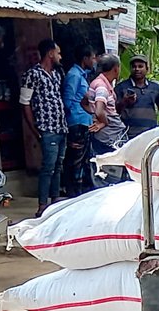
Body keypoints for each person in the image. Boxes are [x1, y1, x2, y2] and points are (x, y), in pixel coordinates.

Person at [21, 39, 67, 214]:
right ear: (50, 53)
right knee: (48, 166)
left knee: (58, 165)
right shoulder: (32, 74)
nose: (60, 56)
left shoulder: (56, 74)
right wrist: (34, 129)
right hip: (46, 127)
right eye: (58, 53)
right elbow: (25, 103)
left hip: (60, 126)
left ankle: (55, 199)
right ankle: (42, 204)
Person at [63, 45, 98, 197]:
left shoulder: (82, 75)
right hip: (77, 122)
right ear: (85, 59)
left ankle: (81, 192)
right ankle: (74, 193)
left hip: (84, 121)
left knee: (84, 160)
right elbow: (67, 101)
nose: (95, 60)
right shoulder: (74, 75)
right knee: (76, 161)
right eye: (93, 57)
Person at [87, 53, 128, 159]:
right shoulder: (102, 87)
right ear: (115, 69)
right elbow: (99, 111)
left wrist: (94, 115)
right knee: (112, 168)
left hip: (104, 135)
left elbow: (84, 102)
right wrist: (103, 122)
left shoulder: (96, 83)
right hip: (110, 137)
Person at [116, 56, 159, 139]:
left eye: (140, 66)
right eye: (134, 67)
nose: (137, 69)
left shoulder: (155, 88)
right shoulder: (121, 87)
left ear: (147, 69)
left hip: (151, 133)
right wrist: (125, 101)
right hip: (129, 135)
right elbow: (115, 111)